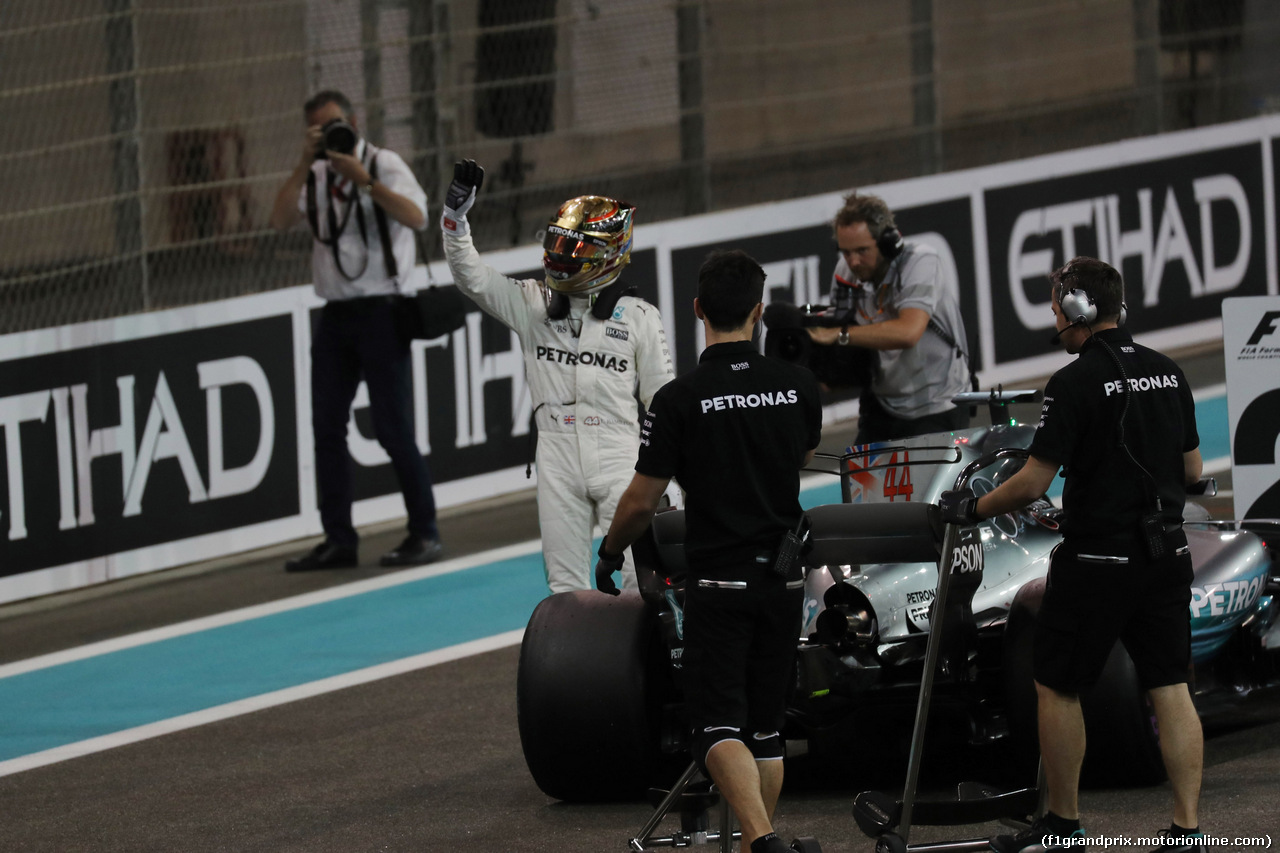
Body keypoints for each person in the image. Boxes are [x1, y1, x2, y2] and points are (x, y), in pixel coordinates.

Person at [937, 257, 1204, 853]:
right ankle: (1187, 827)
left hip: (1098, 561)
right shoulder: (1168, 371)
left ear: (1078, 309)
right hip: (1166, 552)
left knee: (1058, 686)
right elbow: (1192, 472)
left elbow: (1032, 484)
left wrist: (968, 507)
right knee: (1169, 684)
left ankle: (1062, 824)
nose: (1055, 319)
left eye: (1057, 308)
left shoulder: (1073, 383)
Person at [595, 250, 823, 853]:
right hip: (785, 581)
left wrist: (610, 549)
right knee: (768, 733)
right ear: (758, 312)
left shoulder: (677, 399)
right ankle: (756, 846)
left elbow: (642, 500)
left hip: (720, 583)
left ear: (697, 310)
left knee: (716, 728)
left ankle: (764, 839)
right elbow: (798, 456)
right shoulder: (798, 386)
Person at [439, 160, 674, 593]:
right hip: (556, 454)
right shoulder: (531, 303)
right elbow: (471, 276)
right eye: (561, 244)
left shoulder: (640, 317)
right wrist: (455, 220)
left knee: (642, 583)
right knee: (564, 589)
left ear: (608, 253)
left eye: (577, 249)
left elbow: (664, 405)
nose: (564, 258)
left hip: (621, 454)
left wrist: (668, 479)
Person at [270, 90, 444, 571]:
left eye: (336, 126)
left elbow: (417, 216)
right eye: (321, 131)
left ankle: (424, 532)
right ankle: (339, 539)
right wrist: (305, 163)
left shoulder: (383, 163)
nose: (332, 137)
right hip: (335, 316)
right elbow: (280, 219)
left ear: (354, 121)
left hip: (382, 314)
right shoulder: (317, 174)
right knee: (326, 428)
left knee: (391, 428)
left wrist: (365, 182)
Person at [807, 192, 971, 444]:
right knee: (862, 483)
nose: (853, 261)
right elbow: (842, 332)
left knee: (929, 484)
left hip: (936, 402)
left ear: (889, 242)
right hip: (881, 402)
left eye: (862, 250)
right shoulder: (845, 271)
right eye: (845, 252)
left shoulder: (920, 261)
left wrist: (839, 336)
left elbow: (908, 332)